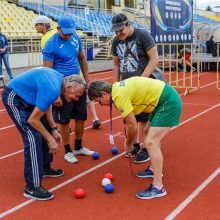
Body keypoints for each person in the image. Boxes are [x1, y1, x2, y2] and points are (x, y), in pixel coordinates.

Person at [88, 77, 182, 199]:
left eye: (99, 101)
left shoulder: (118, 96)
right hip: (161, 100)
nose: (100, 104)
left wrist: (128, 144)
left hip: (167, 102)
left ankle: (158, 187)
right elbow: (130, 122)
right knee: (148, 133)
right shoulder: (117, 89)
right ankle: (154, 169)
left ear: (104, 94)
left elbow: (133, 126)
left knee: (150, 142)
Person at [2, 67, 87, 200]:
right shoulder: (53, 88)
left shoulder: (60, 82)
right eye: (77, 95)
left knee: (46, 129)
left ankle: (44, 168)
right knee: (33, 137)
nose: (76, 99)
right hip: (15, 97)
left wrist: (53, 129)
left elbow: (45, 105)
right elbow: (33, 120)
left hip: (30, 99)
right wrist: (50, 139)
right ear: (69, 86)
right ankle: (32, 187)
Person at [111, 13, 167, 164]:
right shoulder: (116, 41)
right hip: (126, 86)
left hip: (144, 84)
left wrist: (141, 81)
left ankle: (145, 148)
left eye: (120, 30)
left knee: (144, 119)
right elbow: (116, 63)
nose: (118, 34)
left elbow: (154, 59)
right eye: (115, 31)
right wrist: (116, 84)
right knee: (130, 117)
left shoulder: (143, 35)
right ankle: (135, 144)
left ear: (128, 25)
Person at [42, 16, 95, 164]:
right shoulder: (50, 44)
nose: (68, 35)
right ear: (58, 29)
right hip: (61, 87)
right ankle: (67, 151)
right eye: (65, 33)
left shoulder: (75, 38)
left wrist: (87, 80)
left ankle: (78, 146)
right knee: (64, 120)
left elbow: (82, 59)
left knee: (81, 117)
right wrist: (54, 95)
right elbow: (47, 71)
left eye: (71, 32)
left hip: (78, 85)